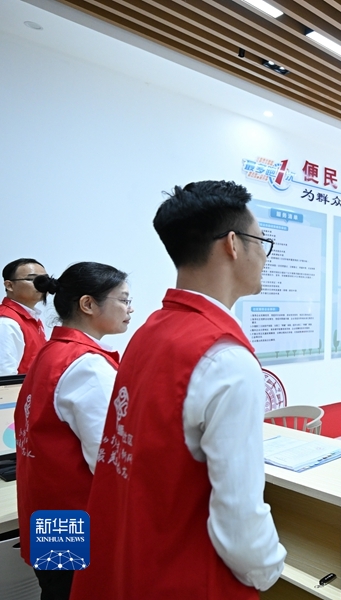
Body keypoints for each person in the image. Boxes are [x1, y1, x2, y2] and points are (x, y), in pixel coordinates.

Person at [70, 181, 285, 598]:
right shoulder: (227, 358)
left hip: (132, 560)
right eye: (261, 242)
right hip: (186, 574)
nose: (264, 255)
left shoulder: (149, 331)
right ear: (232, 245)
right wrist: (270, 569)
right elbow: (239, 517)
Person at [14, 262, 132, 600]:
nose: (130, 309)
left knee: (57, 590)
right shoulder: (89, 367)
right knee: (74, 591)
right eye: (124, 300)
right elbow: (108, 461)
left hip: (50, 514)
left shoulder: (51, 352)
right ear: (88, 304)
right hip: (80, 517)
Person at [0, 258, 49, 375]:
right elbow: (5, 377)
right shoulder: (6, 323)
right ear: (9, 285)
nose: (42, 285)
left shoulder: (31, 318)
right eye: (32, 279)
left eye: (44, 280)